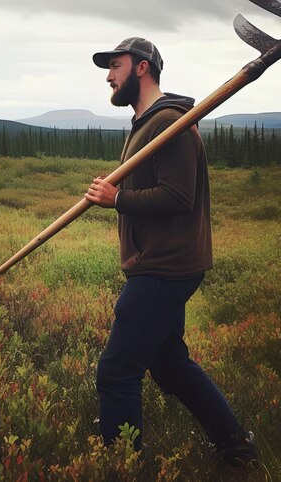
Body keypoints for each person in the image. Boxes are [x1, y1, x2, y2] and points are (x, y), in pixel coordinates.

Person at [84, 37, 257, 467]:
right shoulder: (148, 123)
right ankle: (236, 446)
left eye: (116, 65)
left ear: (142, 68)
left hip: (165, 267)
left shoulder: (170, 125)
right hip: (160, 262)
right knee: (168, 364)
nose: (109, 75)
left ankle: (122, 470)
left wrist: (117, 199)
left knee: (117, 372)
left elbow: (179, 197)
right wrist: (120, 191)